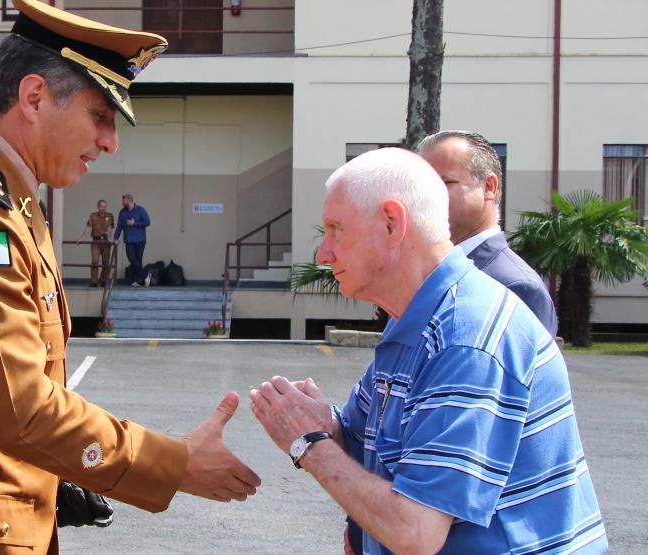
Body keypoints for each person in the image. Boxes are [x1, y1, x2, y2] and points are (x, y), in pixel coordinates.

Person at [0, 2, 260, 553]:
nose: (111, 141)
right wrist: (172, 463)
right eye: (100, 115)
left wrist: (52, 478)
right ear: (33, 98)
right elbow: (21, 407)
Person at [249, 148, 606, 555]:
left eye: (336, 229)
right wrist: (324, 426)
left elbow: (416, 531)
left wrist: (310, 444)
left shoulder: (464, 337)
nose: (323, 254)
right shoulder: (418, 320)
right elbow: (362, 441)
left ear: (391, 223)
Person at [418, 130, 558, 336]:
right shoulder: (424, 273)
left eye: (445, 182)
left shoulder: (516, 287)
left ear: (489, 187)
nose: (427, 194)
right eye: (421, 185)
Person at [114, 193, 151, 287]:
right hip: (129, 240)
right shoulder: (122, 212)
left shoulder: (140, 210)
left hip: (140, 240)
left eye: (123, 201)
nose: (122, 203)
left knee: (138, 261)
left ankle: (138, 280)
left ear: (129, 200)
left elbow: (147, 222)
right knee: (132, 260)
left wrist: (134, 223)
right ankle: (145, 275)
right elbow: (119, 226)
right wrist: (116, 238)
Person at [77, 199, 115, 287]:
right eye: (101, 206)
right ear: (98, 207)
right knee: (95, 261)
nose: (103, 208)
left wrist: (111, 239)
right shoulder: (93, 216)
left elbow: (111, 228)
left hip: (106, 241)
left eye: (104, 206)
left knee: (106, 262)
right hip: (96, 241)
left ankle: (103, 280)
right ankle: (94, 281)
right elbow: (88, 227)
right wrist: (82, 238)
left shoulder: (110, 216)